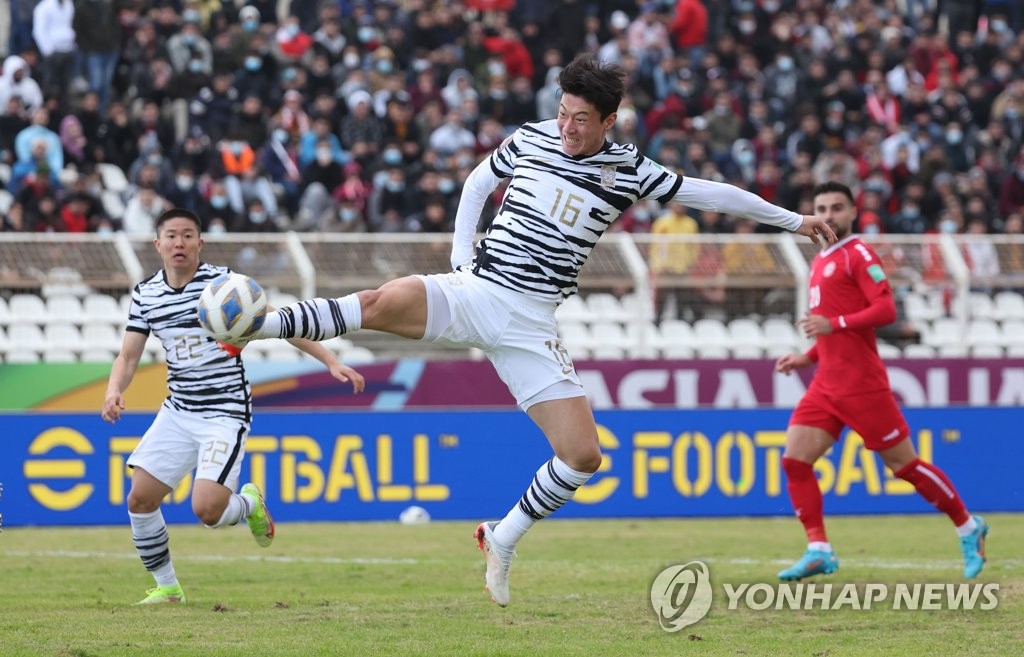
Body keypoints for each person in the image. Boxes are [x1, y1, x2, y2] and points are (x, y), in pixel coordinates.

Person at [219, 55, 836, 607]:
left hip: (532, 323)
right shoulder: (531, 139)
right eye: (562, 113)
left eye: (580, 119)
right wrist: (462, 256)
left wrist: (792, 220)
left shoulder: (630, 171)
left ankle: (501, 535)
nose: (567, 127)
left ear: (610, 120)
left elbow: (713, 195)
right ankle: (259, 324)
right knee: (384, 299)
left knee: (583, 454)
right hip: (479, 291)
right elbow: (477, 184)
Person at [101, 208, 365, 605]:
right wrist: (113, 390)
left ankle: (247, 504)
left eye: (188, 235)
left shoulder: (224, 285)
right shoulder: (146, 294)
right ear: (157, 243)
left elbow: (281, 321)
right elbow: (129, 356)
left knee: (207, 509)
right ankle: (168, 588)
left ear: (200, 242)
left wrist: (331, 360)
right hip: (178, 410)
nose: (179, 243)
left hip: (224, 412)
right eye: (171, 235)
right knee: (139, 499)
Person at [774, 181, 988, 582]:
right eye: (821, 208)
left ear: (853, 212)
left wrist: (831, 323)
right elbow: (832, 332)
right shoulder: (820, 261)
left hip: (861, 385)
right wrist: (807, 356)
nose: (829, 215)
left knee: (905, 466)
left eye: (837, 207)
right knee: (794, 461)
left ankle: (968, 525)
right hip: (825, 385)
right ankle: (819, 548)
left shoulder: (858, 254)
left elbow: (886, 309)